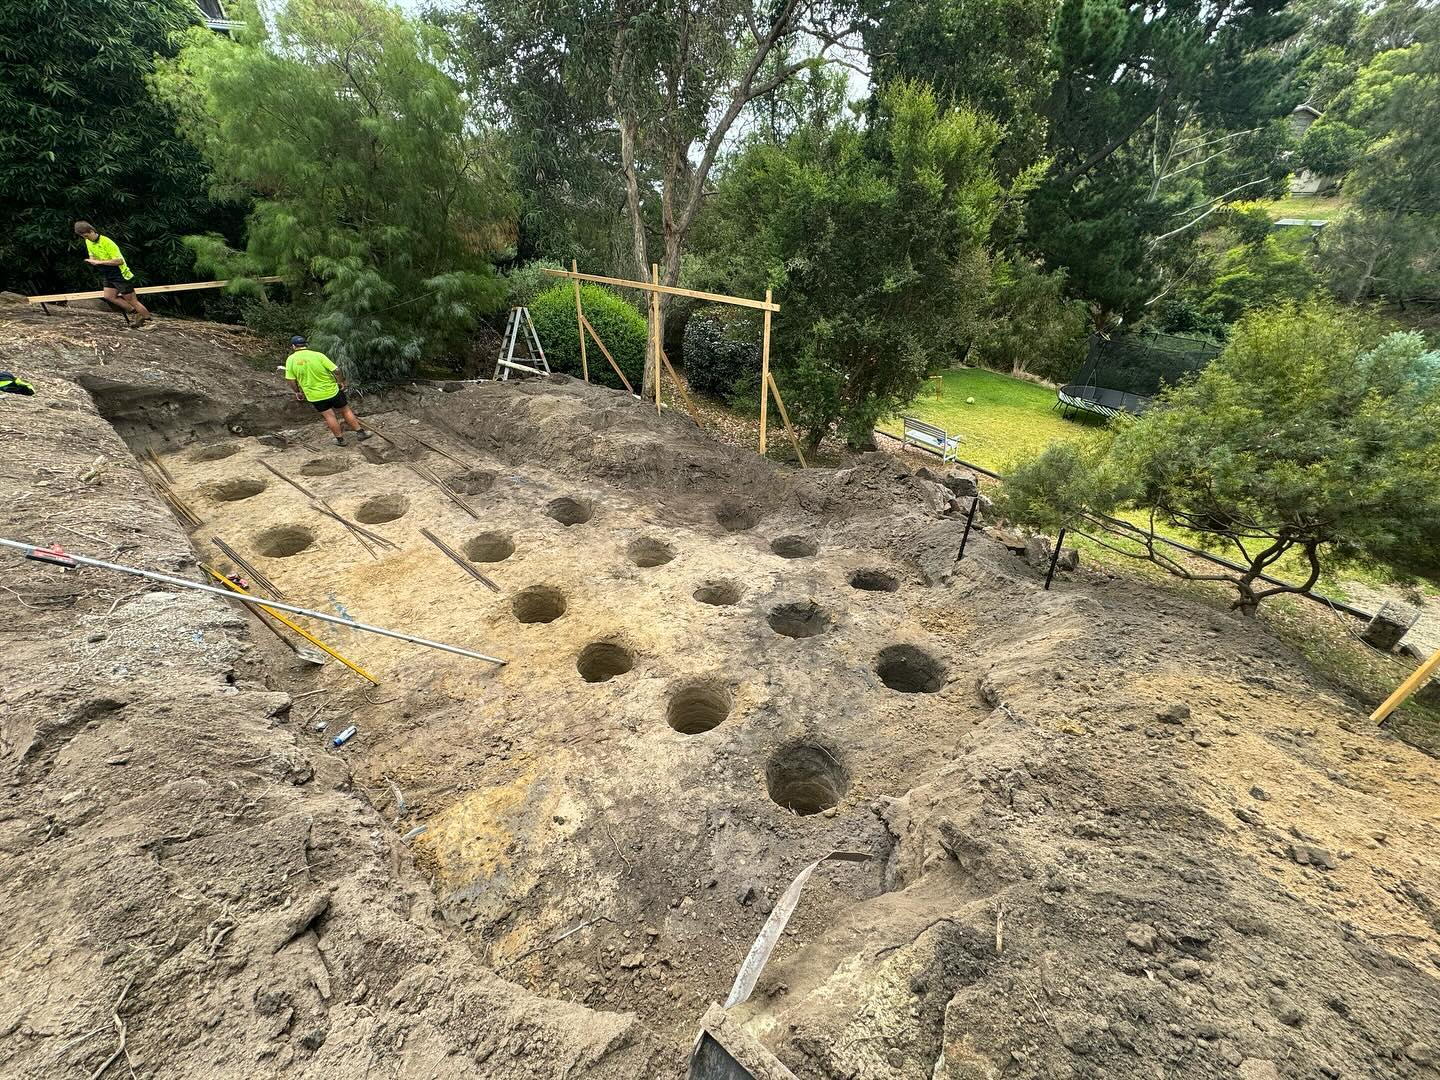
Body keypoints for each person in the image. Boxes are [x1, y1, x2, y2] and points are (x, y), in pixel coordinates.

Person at [283, 336, 372, 446]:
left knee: (329, 416)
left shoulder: (291, 360)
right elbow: (337, 370)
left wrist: (297, 391)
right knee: (345, 411)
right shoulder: (318, 355)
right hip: (332, 391)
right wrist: (340, 382)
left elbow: (290, 379)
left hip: (314, 395)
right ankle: (360, 433)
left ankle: (340, 440)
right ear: (306, 345)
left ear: (293, 346)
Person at [72, 221, 153, 328]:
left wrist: (99, 262)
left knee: (132, 300)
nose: (85, 238)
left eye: (86, 235)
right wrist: (92, 260)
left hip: (119, 273)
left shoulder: (107, 242)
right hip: (107, 272)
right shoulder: (88, 241)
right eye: (83, 237)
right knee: (109, 296)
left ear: (91, 231)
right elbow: (92, 255)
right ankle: (136, 314)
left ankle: (149, 321)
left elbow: (119, 261)